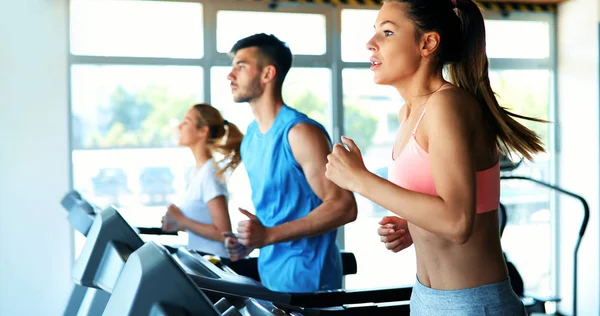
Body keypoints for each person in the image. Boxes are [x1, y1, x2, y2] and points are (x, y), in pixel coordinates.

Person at [325, 1, 544, 315]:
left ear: (427, 43)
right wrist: (410, 224)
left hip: (472, 305)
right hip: (426, 298)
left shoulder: (448, 104)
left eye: (387, 32)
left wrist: (361, 180)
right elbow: (441, 204)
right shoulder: (409, 113)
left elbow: (457, 222)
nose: (370, 43)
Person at [223, 33, 358, 293]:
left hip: (310, 284)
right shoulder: (250, 137)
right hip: (272, 277)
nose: (230, 75)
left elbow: (343, 207)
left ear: (267, 74)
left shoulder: (300, 133)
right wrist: (250, 240)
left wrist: (268, 236)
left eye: (240, 66)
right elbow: (277, 213)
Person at [161, 103, 243, 259]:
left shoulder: (210, 174)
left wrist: (181, 218)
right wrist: (179, 224)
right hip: (202, 261)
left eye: (186, 122)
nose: (179, 127)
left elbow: (222, 232)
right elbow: (204, 221)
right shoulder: (198, 171)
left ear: (203, 131)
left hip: (216, 265)